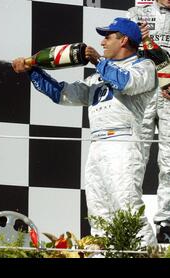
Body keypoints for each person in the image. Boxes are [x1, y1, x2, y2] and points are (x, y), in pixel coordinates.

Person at [12, 17, 158, 246]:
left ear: (124, 40)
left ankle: (147, 254)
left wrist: (97, 61)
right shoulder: (97, 76)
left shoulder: (144, 67)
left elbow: (126, 83)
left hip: (123, 143)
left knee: (128, 208)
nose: (102, 42)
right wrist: (32, 70)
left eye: (108, 36)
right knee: (99, 213)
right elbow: (62, 94)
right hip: (98, 145)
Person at [127, 0, 170, 244]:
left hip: (169, 94)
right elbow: (120, 48)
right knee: (134, 158)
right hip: (142, 93)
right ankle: (130, 221)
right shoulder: (137, 12)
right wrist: (134, 35)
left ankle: (166, 223)